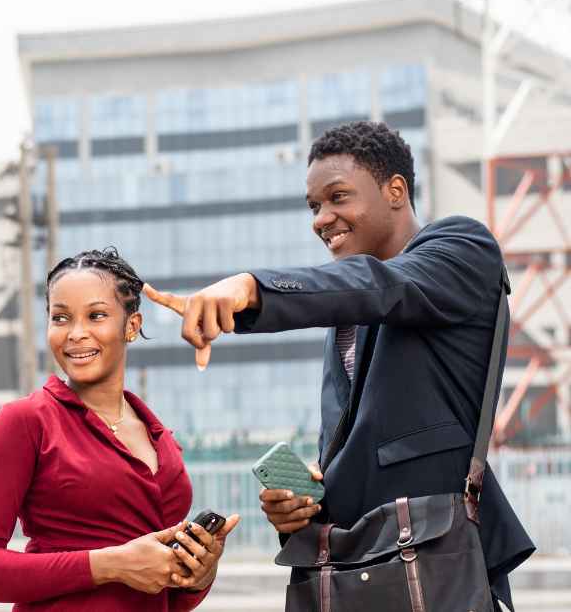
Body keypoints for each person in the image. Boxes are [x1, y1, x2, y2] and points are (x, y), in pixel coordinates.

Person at [144, 121, 535, 611]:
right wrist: (306, 502)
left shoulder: (462, 248)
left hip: (435, 570)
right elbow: (372, 446)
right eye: (314, 206)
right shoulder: (346, 321)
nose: (321, 218)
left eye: (337, 197)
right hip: (359, 573)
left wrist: (251, 288)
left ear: (395, 190)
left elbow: (383, 286)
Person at [0, 248, 240, 611]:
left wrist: (199, 575)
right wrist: (109, 565)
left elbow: (167, 594)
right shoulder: (23, 423)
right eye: (60, 318)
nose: (75, 334)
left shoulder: (162, 440)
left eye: (96, 316)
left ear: (131, 326)